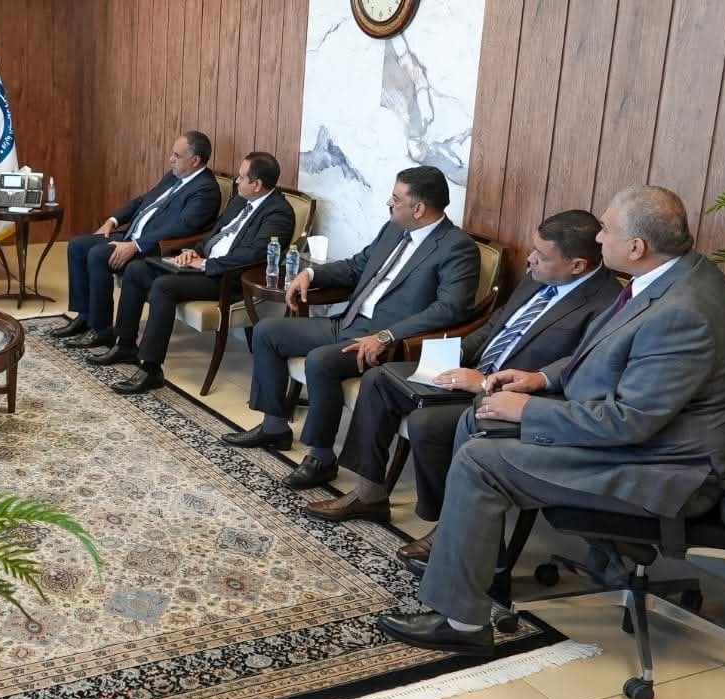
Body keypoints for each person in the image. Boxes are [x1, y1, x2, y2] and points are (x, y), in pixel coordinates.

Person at [378, 186, 725, 655]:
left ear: (637, 246)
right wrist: (540, 378)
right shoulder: (669, 276)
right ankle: (479, 567)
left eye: (606, 230)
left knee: (480, 461)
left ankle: (462, 624)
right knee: (478, 419)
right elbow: (603, 351)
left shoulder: (684, 312)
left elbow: (629, 423)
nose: (598, 238)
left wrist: (529, 410)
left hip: (660, 466)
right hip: (633, 439)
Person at [303, 211, 621, 568]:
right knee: (380, 380)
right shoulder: (540, 277)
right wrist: (449, 356)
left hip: (513, 396)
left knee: (427, 424)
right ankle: (369, 494)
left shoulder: (607, 304)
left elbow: (576, 368)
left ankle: (453, 526)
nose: (530, 259)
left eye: (542, 255)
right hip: (473, 372)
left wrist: (484, 383)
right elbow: (495, 328)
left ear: (577, 266)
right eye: (534, 250)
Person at [223, 166, 480, 492]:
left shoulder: (457, 247)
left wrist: (388, 336)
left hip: (389, 342)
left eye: (396, 198)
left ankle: (321, 458)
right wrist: (311, 275)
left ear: (418, 208)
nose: (389, 202)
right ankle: (274, 427)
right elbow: (358, 266)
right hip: (349, 323)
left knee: (321, 360)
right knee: (267, 332)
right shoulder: (394, 229)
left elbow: (450, 309)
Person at [99, 151, 296, 395]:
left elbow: (255, 255)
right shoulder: (241, 200)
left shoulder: (278, 213)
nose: (236, 181)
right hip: (204, 265)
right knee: (137, 269)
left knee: (163, 286)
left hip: (227, 278)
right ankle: (125, 344)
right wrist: (193, 252)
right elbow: (215, 234)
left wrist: (205, 264)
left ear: (257, 185)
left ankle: (151, 369)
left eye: (242, 178)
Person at [49, 131, 220, 349]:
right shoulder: (174, 175)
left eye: (177, 156)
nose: (171, 159)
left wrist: (136, 245)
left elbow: (181, 227)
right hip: (132, 235)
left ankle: (101, 329)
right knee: (77, 245)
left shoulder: (206, 189)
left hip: (155, 248)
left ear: (195, 161)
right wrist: (112, 220)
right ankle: (85, 316)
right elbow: (142, 201)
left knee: (99, 255)